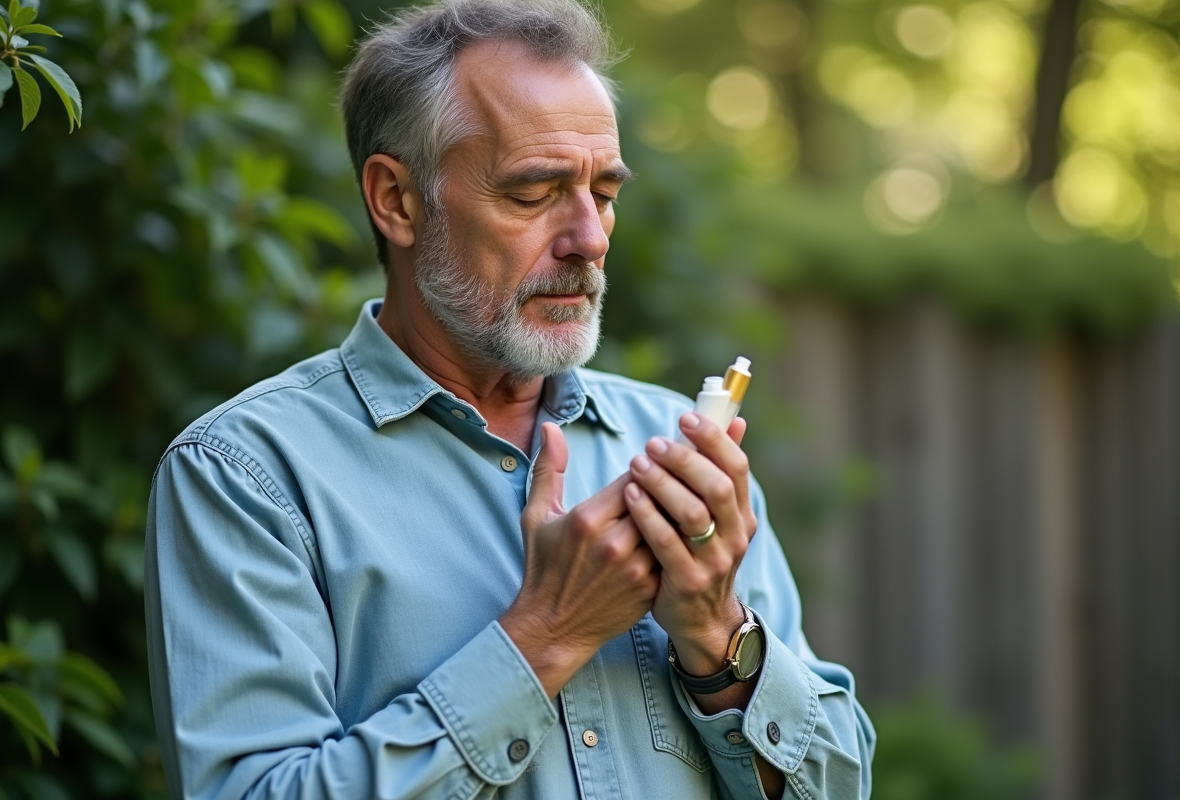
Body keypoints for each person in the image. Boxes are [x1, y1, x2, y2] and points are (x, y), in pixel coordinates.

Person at [143, 1, 874, 798]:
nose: (589, 237)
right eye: (536, 192)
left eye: (605, 190)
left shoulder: (679, 452)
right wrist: (546, 637)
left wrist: (719, 636)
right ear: (397, 200)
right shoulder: (246, 478)